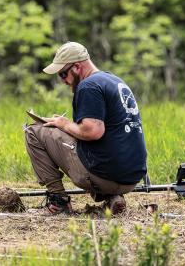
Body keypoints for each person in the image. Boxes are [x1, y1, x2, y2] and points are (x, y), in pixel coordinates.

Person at [24, 42, 147, 215]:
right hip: (130, 178)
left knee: (33, 132)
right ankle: (113, 198)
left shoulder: (88, 86)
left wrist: (65, 124)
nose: (62, 80)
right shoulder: (114, 81)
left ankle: (58, 202)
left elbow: (93, 132)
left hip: (105, 175)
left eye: (63, 74)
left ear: (77, 67)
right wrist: (65, 125)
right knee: (84, 141)